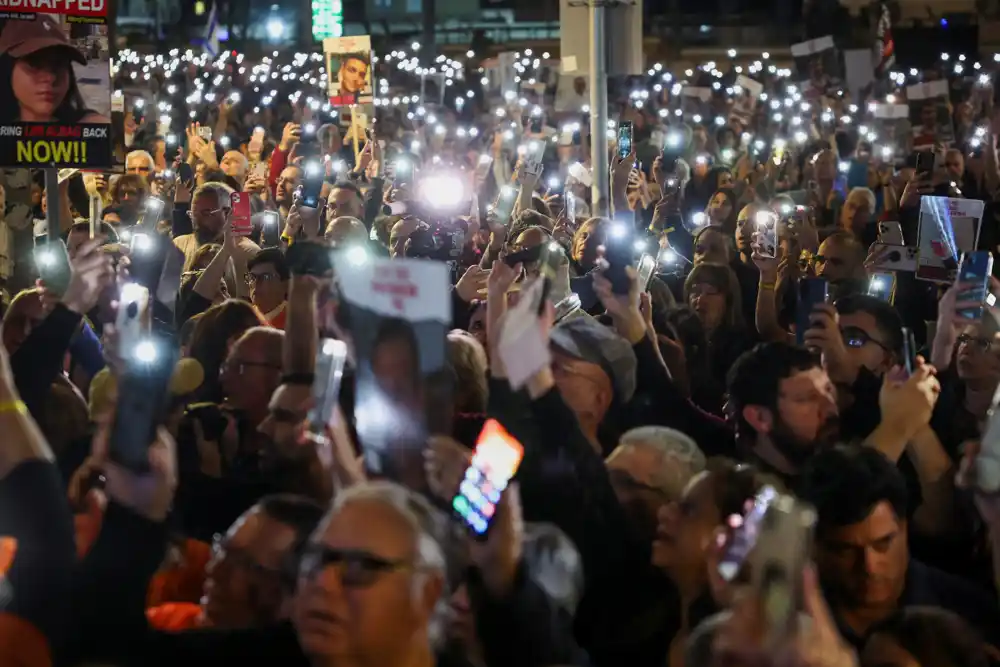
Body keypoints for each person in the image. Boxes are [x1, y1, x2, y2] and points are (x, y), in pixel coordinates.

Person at [797, 444, 1000, 650]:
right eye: (846, 550)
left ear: (903, 527)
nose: (870, 567)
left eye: (883, 543)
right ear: (814, 546)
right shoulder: (787, 624)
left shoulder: (969, 615)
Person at [0, 14, 110, 124]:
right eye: (34, 64)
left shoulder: (91, 127)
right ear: (7, 69)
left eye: (59, 64)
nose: (50, 77)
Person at [246, 248, 289, 329]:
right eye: (252, 277)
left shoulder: (295, 323)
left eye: (266, 277)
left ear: (286, 285)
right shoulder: (244, 317)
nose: (256, 283)